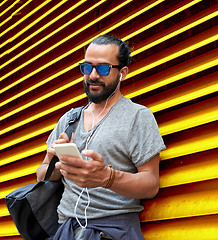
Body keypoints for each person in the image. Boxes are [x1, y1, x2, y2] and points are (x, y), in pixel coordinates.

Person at [36, 34, 166, 240]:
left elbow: (151, 184)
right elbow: (42, 175)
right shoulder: (69, 119)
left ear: (122, 73)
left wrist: (107, 178)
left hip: (112, 231)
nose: (93, 75)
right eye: (87, 68)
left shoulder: (138, 116)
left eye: (103, 68)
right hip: (65, 230)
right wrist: (56, 163)